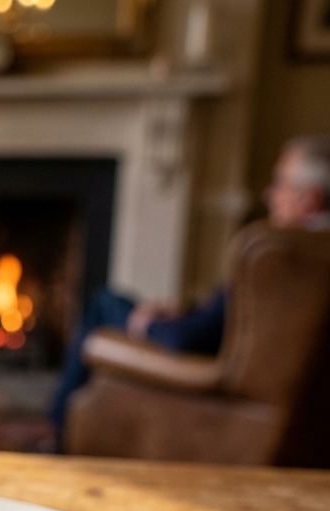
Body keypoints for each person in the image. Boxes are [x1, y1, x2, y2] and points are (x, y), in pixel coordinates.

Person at [51, 135, 330, 433]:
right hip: (218, 354)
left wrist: (144, 324)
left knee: (104, 304)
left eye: (280, 184)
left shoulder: (279, 256)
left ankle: (58, 433)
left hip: (203, 366)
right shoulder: (315, 255)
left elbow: (190, 340)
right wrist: (186, 311)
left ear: (309, 199)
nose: (269, 195)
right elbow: (229, 323)